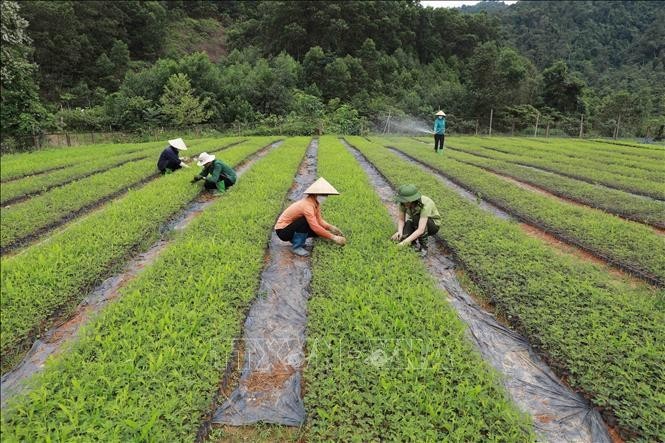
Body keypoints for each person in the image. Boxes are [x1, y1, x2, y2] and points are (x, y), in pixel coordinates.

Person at [274, 177, 346, 257]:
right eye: (323, 194)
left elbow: (319, 220)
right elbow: (315, 227)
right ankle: (297, 246)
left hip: (290, 228)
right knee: (306, 221)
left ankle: (296, 240)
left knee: (318, 231)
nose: (325, 196)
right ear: (316, 194)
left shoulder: (315, 204)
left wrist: (331, 227)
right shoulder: (307, 205)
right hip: (282, 231)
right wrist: (333, 237)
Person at [391, 184, 440, 256]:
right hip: (415, 221)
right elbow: (401, 219)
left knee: (417, 217)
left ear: (412, 199)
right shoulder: (403, 204)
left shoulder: (425, 204)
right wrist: (399, 232)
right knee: (402, 236)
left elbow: (421, 229)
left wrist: (403, 243)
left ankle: (423, 247)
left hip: (432, 225)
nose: (404, 203)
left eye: (406, 201)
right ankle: (412, 243)